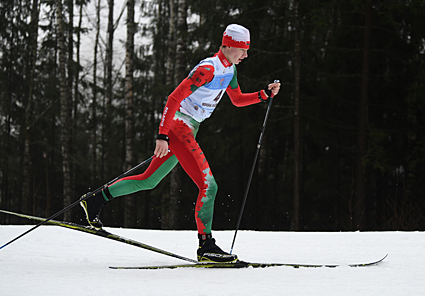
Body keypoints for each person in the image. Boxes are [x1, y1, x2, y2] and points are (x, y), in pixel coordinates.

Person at [80, 24, 281, 263]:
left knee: (148, 180)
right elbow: (174, 97)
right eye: (242, 49)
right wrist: (163, 135)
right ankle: (206, 245)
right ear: (228, 45)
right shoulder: (208, 69)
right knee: (210, 186)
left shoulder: (230, 70)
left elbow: (236, 100)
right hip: (178, 128)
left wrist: (264, 95)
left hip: (188, 129)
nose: (246, 55)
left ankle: (94, 200)